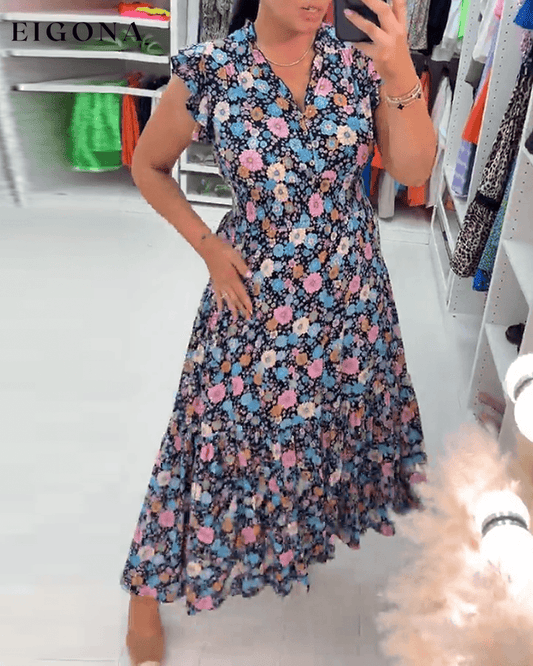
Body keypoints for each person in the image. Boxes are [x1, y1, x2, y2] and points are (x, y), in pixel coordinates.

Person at [121, 0, 437, 661]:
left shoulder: (359, 66)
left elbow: (413, 171)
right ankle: (148, 586)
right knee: (212, 433)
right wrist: (208, 246)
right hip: (251, 293)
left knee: (321, 429)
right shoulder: (211, 70)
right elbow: (149, 167)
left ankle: (291, 537)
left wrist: (400, 70)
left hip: (349, 298)